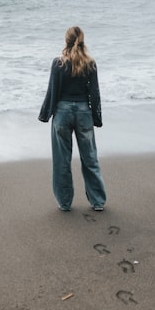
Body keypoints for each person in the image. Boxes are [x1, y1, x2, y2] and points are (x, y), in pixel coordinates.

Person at [38, 26, 107, 212]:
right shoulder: (90, 63)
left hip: (62, 113)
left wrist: (45, 114)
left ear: (66, 41)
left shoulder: (58, 63)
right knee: (90, 159)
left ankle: (65, 203)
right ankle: (98, 201)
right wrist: (96, 118)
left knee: (62, 161)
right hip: (84, 112)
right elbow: (95, 94)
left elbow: (53, 91)